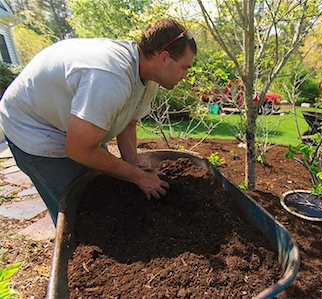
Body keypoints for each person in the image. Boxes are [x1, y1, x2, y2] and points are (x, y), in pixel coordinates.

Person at [0, 18, 197, 225]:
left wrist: (136, 169)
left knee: (102, 192)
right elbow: (79, 150)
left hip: (71, 127)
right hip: (33, 127)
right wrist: (139, 177)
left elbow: (128, 124)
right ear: (164, 58)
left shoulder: (148, 77)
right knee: (80, 213)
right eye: (185, 67)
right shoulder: (110, 77)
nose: (185, 75)